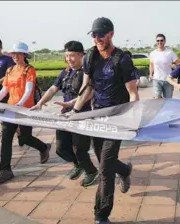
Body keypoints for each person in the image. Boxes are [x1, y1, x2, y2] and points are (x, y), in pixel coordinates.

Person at [62, 17, 139, 224]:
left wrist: (132, 117)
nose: (97, 38)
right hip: (97, 117)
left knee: (104, 168)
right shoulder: (90, 56)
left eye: (101, 35)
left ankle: (101, 215)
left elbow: (132, 93)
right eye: (94, 35)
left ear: (111, 34)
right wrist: (76, 110)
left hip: (118, 119)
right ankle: (124, 170)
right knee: (107, 161)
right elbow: (88, 87)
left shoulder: (121, 59)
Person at [30, 41, 98, 186]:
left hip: (82, 116)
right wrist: (40, 102)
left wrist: (72, 105)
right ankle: (78, 165)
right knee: (61, 148)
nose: (69, 59)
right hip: (65, 115)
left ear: (81, 55)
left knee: (80, 149)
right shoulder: (66, 72)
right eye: (67, 56)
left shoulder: (88, 73)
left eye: (72, 56)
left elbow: (87, 94)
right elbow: (53, 89)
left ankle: (91, 171)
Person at [0, 42, 51, 184]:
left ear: (24, 55)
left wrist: (20, 104)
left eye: (18, 54)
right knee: (6, 137)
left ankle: (43, 147)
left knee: (24, 138)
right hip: (11, 109)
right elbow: (5, 89)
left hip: (25, 110)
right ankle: (5, 170)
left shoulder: (29, 70)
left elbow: (28, 90)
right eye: (13, 54)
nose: (15, 56)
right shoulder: (10, 70)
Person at [149, 34, 179, 99]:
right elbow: (151, 64)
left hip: (168, 80)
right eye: (158, 40)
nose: (160, 42)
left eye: (161, 40)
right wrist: (151, 74)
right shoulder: (153, 53)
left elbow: (178, 65)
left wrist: (175, 69)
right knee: (157, 98)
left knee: (168, 100)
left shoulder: (170, 53)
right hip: (156, 79)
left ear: (165, 41)